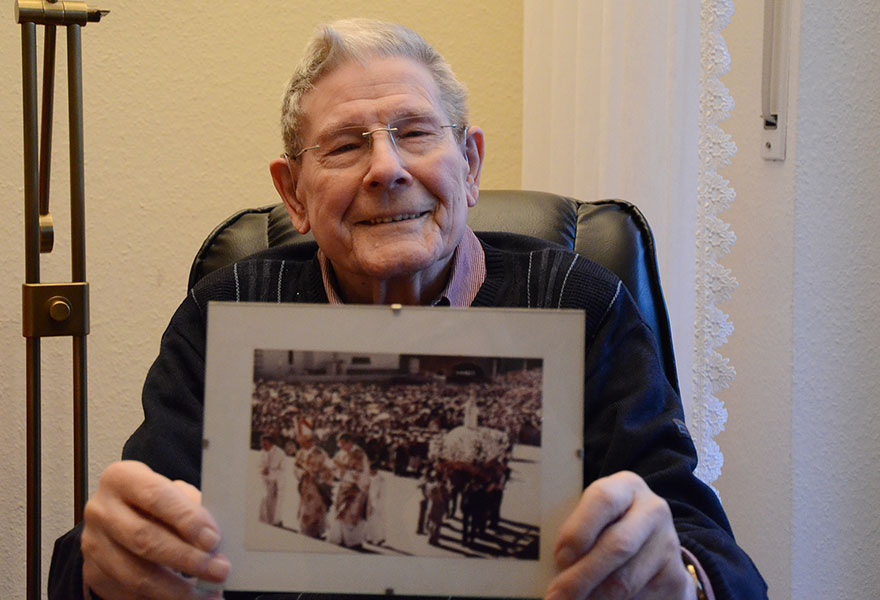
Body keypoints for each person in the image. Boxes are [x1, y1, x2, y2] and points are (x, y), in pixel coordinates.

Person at [48, 18, 767, 600]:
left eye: (415, 132)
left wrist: (682, 582)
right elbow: (108, 550)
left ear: (472, 166)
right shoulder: (225, 311)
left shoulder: (585, 304)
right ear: (293, 194)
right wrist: (101, 568)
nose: (387, 168)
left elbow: (720, 563)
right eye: (344, 144)